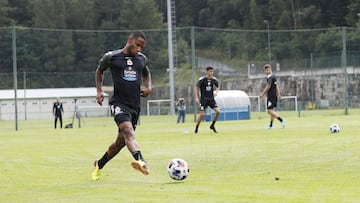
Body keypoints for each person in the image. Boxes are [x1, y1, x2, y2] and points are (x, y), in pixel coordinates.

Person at [92, 31, 152, 180]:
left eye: (142, 47)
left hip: (135, 106)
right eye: (137, 45)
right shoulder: (112, 57)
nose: (139, 49)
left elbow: (146, 72)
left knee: (120, 143)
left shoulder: (141, 59)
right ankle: (141, 161)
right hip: (119, 103)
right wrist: (99, 91)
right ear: (129, 40)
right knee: (128, 131)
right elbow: (99, 71)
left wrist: (148, 86)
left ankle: (99, 164)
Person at [194, 66, 221, 133]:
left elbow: (218, 86)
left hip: (211, 99)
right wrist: (197, 97)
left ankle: (212, 125)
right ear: (207, 72)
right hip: (203, 100)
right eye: (210, 71)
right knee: (202, 114)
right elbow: (196, 87)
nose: (212, 73)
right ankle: (196, 127)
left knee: (218, 112)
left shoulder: (214, 79)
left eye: (212, 71)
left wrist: (216, 92)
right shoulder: (202, 79)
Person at [259, 64, 286, 129]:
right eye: (265, 70)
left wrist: (262, 94)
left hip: (271, 96)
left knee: (269, 111)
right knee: (272, 111)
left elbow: (268, 86)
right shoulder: (273, 76)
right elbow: (276, 86)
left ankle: (282, 120)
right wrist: (278, 94)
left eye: (268, 69)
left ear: (270, 69)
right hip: (274, 96)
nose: (266, 71)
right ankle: (271, 126)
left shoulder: (270, 77)